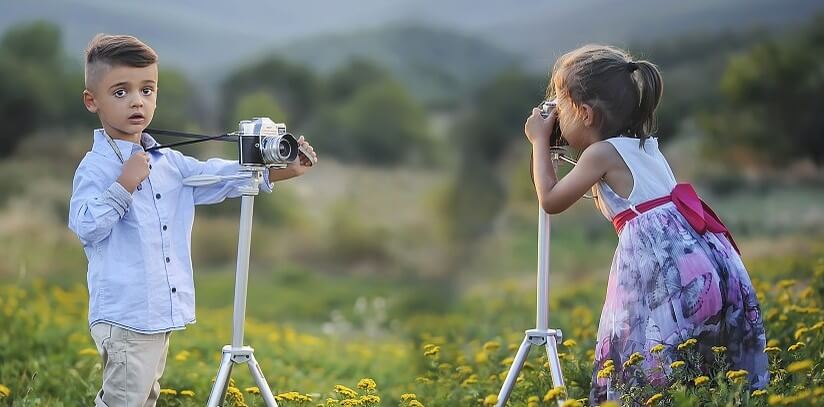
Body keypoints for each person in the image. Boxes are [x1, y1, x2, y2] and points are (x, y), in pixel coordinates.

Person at [68, 33, 317, 406]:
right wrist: (124, 184)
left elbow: (217, 176)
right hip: (126, 314)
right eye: (120, 92)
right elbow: (86, 225)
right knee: (124, 401)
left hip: (157, 313)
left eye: (147, 90)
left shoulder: (169, 162)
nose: (137, 100)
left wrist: (283, 170)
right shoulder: (97, 167)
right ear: (93, 100)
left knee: (145, 398)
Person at [523, 44, 767, 404]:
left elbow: (551, 199)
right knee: (697, 364)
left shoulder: (600, 153)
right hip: (706, 264)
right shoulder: (645, 145)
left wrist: (538, 142)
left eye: (561, 104)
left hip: (661, 274)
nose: (555, 115)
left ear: (586, 113)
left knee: (643, 358)